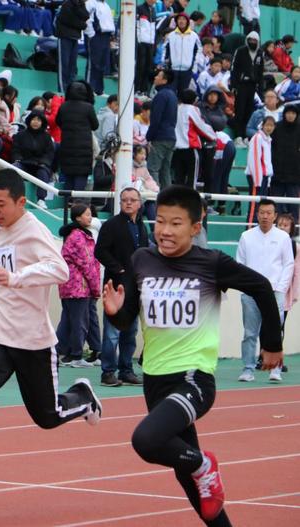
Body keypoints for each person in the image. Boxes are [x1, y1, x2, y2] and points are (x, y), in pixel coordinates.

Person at [103, 185, 283, 526]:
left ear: (195, 228)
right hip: (155, 380)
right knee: (192, 484)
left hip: (193, 378)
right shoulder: (142, 259)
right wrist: (114, 313)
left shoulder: (211, 263)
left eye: (176, 223)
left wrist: (272, 343)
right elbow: (128, 317)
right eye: (160, 222)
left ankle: (204, 463)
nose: (165, 231)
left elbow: (261, 286)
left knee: (147, 440)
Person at [0, 169, 102, 508]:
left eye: (1, 204)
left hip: (32, 340)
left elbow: (60, 270)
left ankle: (83, 397)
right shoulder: (0, 231)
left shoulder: (34, 230)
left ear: (21, 202)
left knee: (47, 416)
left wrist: (15, 278)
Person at [95, 187, 149, 387]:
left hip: (134, 290)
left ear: (139, 203)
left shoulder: (142, 227)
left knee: (130, 332)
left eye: (132, 200)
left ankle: (126, 370)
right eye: (124, 200)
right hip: (115, 288)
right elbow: (99, 251)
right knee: (111, 333)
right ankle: (108, 372)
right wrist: (118, 270)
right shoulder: (111, 225)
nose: (128, 203)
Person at [236, 198, 294, 383]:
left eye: (269, 213)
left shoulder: (283, 237)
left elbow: (288, 264)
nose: (265, 216)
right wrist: (246, 288)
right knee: (249, 332)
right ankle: (248, 368)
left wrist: (281, 288)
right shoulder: (247, 236)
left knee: (275, 332)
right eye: (262, 212)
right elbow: (240, 264)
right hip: (250, 293)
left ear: (275, 216)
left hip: (275, 292)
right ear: (257, 214)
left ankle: (275, 369)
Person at [56, 203, 101, 367]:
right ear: (77, 218)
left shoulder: (78, 235)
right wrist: (96, 288)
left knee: (68, 321)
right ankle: (76, 356)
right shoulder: (78, 237)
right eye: (87, 214)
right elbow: (87, 264)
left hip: (72, 287)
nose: (90, 217)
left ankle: (57, 353)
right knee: (79, 322)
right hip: (78, 288)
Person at [56, 81, 99, 197]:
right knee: (81, 176)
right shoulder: (88, 107)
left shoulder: (63, 106)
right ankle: (76, 203)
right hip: (84, 149)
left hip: (67, 146)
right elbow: (95, 125)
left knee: (69, 176)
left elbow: (58, 122)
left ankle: (67, 202)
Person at [172, 89, 216, 189]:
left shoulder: (177, 109)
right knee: (192, 180)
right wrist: (213, 136)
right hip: (190, 149)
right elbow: (201, 126)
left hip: (177, 149)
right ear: (194, 100)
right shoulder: (193, 109)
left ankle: (179, 202)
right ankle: (190, 202)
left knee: (179, 179)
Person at [11, 109, 55, 209]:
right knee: (14, 168)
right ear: (29, 120)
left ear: (42, 122)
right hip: (24, 164)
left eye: (39, 120)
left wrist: (43, 163)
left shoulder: (47, 137)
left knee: (43, 173)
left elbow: (49, 154)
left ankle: (41, 200)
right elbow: (15, 150)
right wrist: (17, 159)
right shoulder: (21, 135)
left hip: (40, 165)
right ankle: (14, 197)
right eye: (34, 119)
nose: (36, 122)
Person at [147, 69, 178, 189]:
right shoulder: (172, 95)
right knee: (165, 170)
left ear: (164, 80)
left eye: (158, 76)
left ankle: (154, 197)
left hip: (160, 137)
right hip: (171, 137)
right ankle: (168, 199)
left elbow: (156, 119)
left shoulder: (161, 96)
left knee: (152, 168)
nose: (155, 77)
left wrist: (149, 136)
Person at [231, 31, 264, 141]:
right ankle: (238, 136)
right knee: (239, 110)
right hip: (241, 85)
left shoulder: (260, 53)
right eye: (251, 40)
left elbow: (260, 71)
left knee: (249, 111)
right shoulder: (240, 51)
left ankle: (245, 136)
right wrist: (234, 85)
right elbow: (234, 69)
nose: (252, 42)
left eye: (255, 40)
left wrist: (260, 88)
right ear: (247, 40)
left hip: (253, 86)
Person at [270, 105, 300, 221]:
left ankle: (295, 231)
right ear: (284, 114)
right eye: (288, 113)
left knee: (294, 207)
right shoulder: (276, 127)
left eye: (293, 113)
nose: (291, 115)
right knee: (276, 206)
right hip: (277, 175)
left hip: (295, 176)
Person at [244, 116, 275, 222]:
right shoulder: (258, 138)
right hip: (256, 178)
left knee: (260, 207)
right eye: (267, 125)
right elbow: (254, 160)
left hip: (264, 177)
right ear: (262, 126)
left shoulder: (268, 139)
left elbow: (266, 162)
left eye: (271, 125)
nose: (269, 128)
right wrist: (257, 181)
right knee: (254, 206)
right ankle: (249, 229)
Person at [55, 0, 90, 93]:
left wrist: (79, 5)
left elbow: (86, 15)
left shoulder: (79, 5)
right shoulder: (67, 4)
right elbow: (69, 20)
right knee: (64, 66)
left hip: (75, 38)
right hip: (64, 37)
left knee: (72, 67)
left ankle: (70, 91)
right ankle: (62, 91)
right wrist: (82, 24)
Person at [277, 214, 300, 347]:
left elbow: (297, 272)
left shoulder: (296, 247)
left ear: (291, 228)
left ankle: (277, 358)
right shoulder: (269, 243)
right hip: (269, 289)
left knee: (280, 324)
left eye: (285, 225)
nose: (282, 228)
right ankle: (262, 357)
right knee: (266, 324)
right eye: (280, 225)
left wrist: (295, 295)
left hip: (285, 292)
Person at [84, 0, 115, 96]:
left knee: (102, 64)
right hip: (95, 35)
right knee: (93, 63)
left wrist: (112, 34)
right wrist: (91, 34)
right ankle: (89, 89)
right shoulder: (90, 3)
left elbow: (109, 21)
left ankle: (99, 90)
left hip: (105, 36)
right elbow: (87, 19)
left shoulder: (106, 5)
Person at [165, 13, 203, 91]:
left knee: (183, 93)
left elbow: (199, 50)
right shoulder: (171, 35)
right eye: (179, 19)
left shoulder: (194, 36)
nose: (181, 21)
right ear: (176, 21)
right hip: (173, 69)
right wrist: (165, 62)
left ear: (187, 22)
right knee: (171, 91)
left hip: (187, 70)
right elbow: (165, 49)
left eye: (183, 19)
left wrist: (194, 66)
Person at [136, 0, 158, 96]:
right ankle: (137, 89)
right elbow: (137, 25)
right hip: (141, 42)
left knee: (148, 67)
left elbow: (153, 28)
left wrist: (153, 42)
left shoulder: (153, 10)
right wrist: (138, 40)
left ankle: (144, 90)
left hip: (150, 43)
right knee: (140, 66)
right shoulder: (139, 8)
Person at [132, 144, 160, 220]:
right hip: (132, 197)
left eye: (145, 154)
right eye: (141, 153)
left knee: (150, 203)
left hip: (142, 196)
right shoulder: (128, 166)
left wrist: (155, 189)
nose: (143, 156)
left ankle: (153, 229)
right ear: (134, 154)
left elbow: (149, 179)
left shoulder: (144, 167)